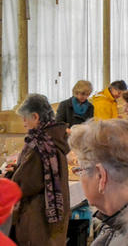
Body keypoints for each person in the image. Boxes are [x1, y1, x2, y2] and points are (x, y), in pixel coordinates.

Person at [5, 94, 69, 246]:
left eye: (25, 118)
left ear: (35, 116)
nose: (24, 123)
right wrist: (17, 168)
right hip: (52, 214)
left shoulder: (39, 144)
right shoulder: (53, 138)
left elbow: (27, 183)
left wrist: (10, 176)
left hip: (38, 214)